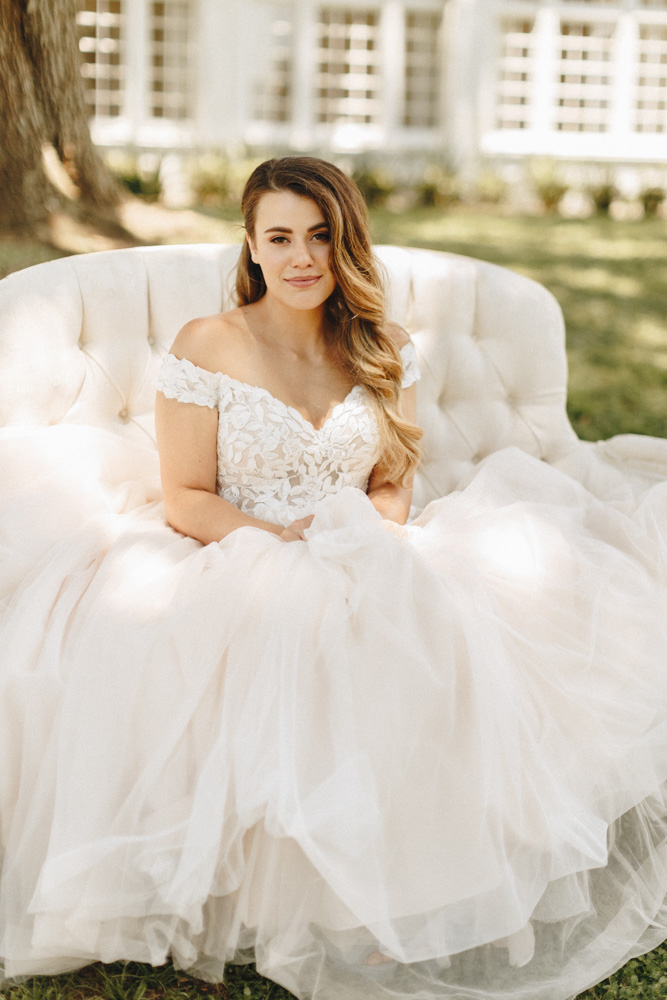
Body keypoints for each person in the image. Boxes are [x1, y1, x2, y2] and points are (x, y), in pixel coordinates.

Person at [1, 156, 667, 1000]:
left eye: (320, 236)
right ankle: (292, 893)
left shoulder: (383, 348)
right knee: (288, 634)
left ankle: (408, 895)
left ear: (346, 241)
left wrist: (364, 532)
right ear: (250, 245)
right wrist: (277, 540)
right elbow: (185, 495)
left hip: (362, 543)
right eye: (279, 237)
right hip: (232, 546)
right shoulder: (209, 343)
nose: (301, 257)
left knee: (437, 633)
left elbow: (392, 483)